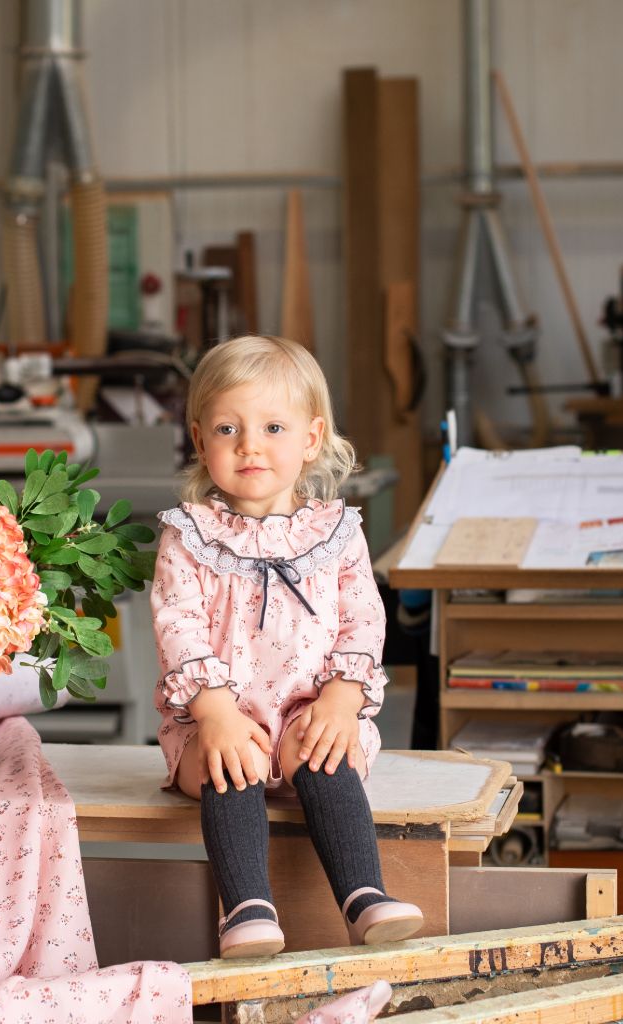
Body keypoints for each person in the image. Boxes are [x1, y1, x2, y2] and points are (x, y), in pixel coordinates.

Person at [151, 335, 423, 958]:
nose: (250, 444)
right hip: (214, 720)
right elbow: (179, 625)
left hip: (312, 714)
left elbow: (363, 621)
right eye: (227, 428)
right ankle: (246, 908)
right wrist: (216, 713)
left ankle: (364, 897)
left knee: (325, 752)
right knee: (232, 758)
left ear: (310, 438)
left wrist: (341, 700)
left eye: (273, 426)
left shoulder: (337, 532)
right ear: (200, 441)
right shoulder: (188, 536)